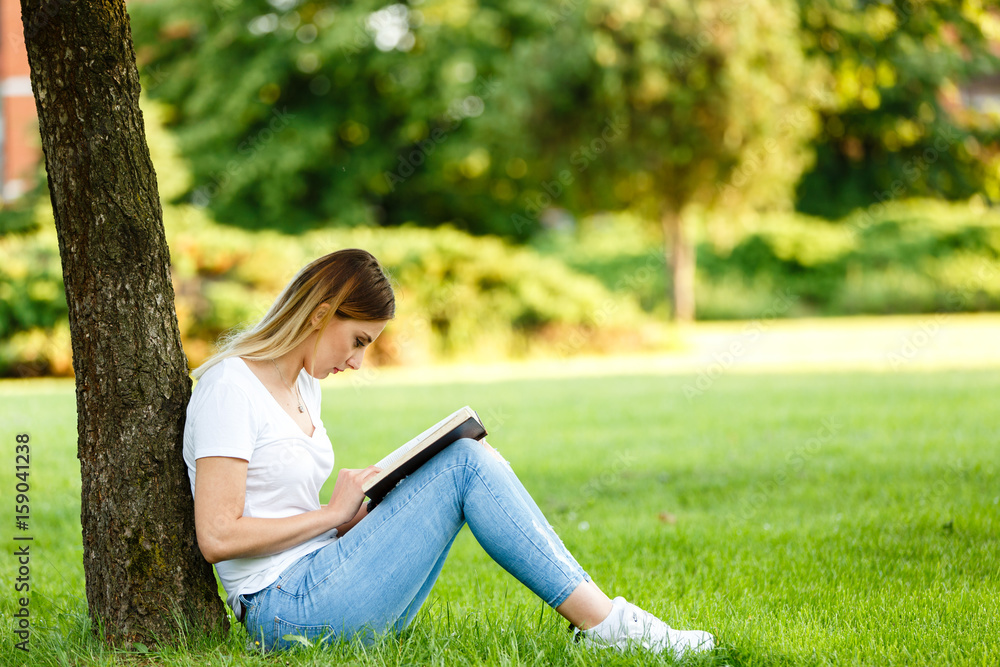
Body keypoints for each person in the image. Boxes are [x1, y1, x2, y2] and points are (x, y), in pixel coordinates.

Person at [182, 248, 715, 657]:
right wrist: (328, 515)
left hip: (321, 576)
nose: (358, 362)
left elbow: (277, 507)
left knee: (461, 458)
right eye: (358, 340)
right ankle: (608, 626)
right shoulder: (231, 387)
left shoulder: (304, 386)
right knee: (465, 465)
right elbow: (218, 536)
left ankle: (605, 623)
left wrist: (346, 523)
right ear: (320, 315)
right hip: (283, 609)